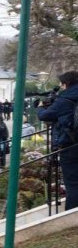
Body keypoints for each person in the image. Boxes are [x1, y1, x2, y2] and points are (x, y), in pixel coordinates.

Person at [36, 70, 78, 210]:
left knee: (73, 183)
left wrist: (41, 107)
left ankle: (71, 216)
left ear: (66, 84)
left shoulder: (64, 99)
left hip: (71, 145)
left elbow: (45, 116)